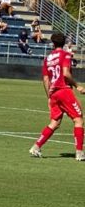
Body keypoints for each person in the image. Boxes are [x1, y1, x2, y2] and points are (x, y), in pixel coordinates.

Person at [29, 33, 85, 161]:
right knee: (78, 120)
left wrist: (49, 96)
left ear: (53, 43)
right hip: (64, 91)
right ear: (64, 42)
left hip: (54, 93)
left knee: (55, 122)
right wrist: (77, 86)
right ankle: (80, 152)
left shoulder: (47, 58)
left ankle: (36, 147)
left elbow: (45, 79)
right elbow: (65, 73)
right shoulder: (65, 55)